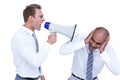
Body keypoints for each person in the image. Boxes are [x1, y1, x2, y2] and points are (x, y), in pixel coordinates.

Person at [11, 4, 57, 80]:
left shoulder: (31, 34)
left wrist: (41, 74)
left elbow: (35, 55)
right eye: (40, 16)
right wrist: (49, 43)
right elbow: (35, 62)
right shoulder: (21, 38)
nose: (43, 19)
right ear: (31, 18)